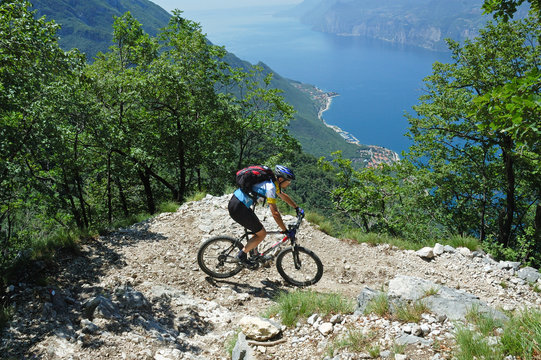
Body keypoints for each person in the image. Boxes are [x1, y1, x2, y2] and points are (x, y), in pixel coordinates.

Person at [228, 165, 303, 268]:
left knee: (257, 229)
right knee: (262, 234)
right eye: (288, 181)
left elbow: (282, 195)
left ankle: (254, 253)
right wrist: (284, 230)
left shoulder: (272, 183)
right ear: (281, 179)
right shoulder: (270, 187)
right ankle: (241, 256)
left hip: (238, 203)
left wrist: (297, 207)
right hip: (239, 208)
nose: (289, 183)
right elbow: (275, 213)